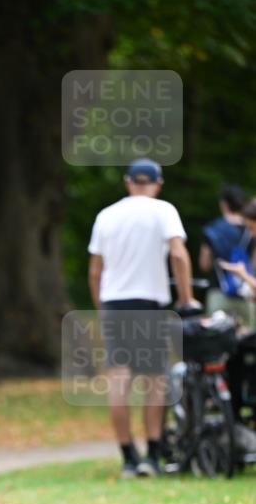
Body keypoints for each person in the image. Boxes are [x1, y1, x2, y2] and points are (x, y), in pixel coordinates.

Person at [88, 158, 198, 478]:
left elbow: (96, 271)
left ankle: (127, 457)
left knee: (119, 381)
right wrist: (186, 297)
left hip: (112, 304)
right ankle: (152, 455)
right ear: (158, 183)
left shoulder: (106, 216)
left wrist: (100, 307)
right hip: (147, 303)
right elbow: (178, 253)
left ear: (127, 182)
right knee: (155, 381)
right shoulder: (163, 211)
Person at [200, 183, 256, 328]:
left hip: (218, 292)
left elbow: (204, 264)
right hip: (246, 294)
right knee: (247, 341)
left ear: (223, 204)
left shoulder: (212, 228)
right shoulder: (248, 229)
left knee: (216, 341)